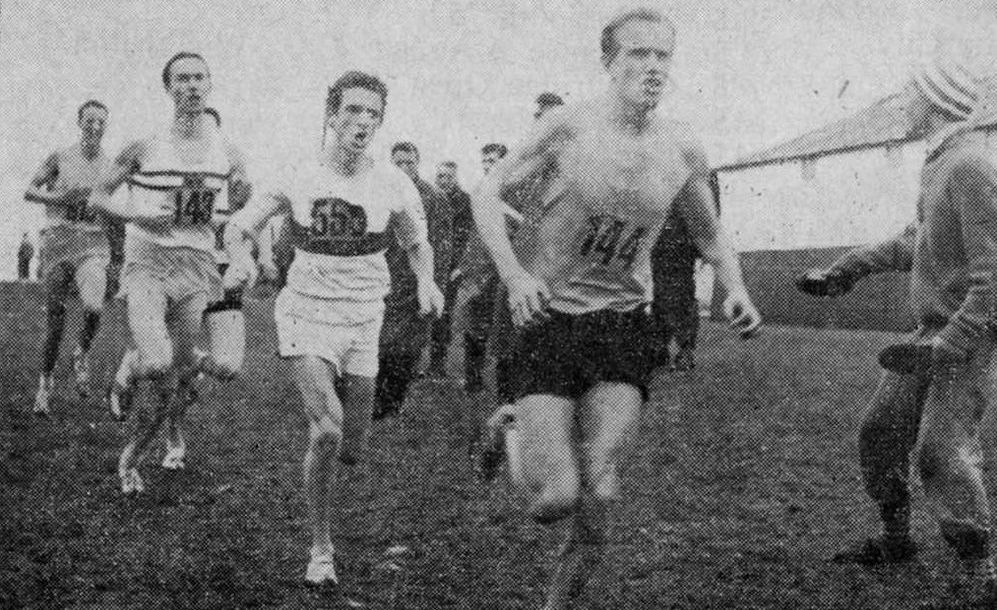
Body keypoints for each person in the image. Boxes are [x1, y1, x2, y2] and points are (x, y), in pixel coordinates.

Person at [472, 9, 761, 609]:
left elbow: (709, 233)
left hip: (623, 325)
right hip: (548, 320)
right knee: (554, 499)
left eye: (663, 55)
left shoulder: (682, 147)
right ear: (609, 62)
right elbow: (487, 190)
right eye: (637, 53)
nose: (653, 67)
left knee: (600, 491)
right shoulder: (567, 126)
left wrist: (733, 285)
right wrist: (515, 275)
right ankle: (511, 425)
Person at [223, 71, 443, 589]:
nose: (362, 122)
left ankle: (331, 466)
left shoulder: (394, 183)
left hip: (365, 316)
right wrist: (241, 256)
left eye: (373, 114)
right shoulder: (298, 173)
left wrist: (427, 281)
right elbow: (239, 224)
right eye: (352, 111)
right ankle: (321, 549)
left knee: (352, 446)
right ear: (331, 114)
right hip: (306, 311)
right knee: (326, 428)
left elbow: (417, 243)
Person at [797, 54, 997, 604]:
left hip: (966, 342)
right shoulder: (940, 164)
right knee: (881, 433)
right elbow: (915, 243)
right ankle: (896, 539)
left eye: (909, 94)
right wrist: (846, 270)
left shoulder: (970, 166)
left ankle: (985, 573)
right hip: (927, 337)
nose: (901, 104)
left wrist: (952, 343)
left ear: (934, 101)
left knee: (942, 454)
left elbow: (994, 276)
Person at [92, 52, 250, 492]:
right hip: (149, 262)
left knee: (175, 379)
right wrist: (140, 216)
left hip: (196, 267)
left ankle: (130, 459)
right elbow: (99, 197)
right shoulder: (144, 146)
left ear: (209, 85)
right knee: (159, 362)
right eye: (182, 79)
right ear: (168, 88)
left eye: (199, 78)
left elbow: (235, 205)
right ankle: (132, 366)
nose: (192, 86)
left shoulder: (227, 152)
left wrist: (238, 200)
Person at [107, 105, 251, 443]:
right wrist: (142, 219)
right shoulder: (163, 165)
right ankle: (170, 437)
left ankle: (169, 420)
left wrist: (244, 259)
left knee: (220, 367)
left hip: (210, 273)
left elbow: (239, 220)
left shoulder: (227, 166)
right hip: (167, 264)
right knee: (164, 364)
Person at [24, 100, 113, 415]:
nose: (95, 126)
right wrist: (60, 197)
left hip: (92, 242)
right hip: (59, 241)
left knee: (93, 307)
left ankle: (81, 351)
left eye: (101, 121)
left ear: (106, 126)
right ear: (79, 123)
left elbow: (115, 205)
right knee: (56, 320)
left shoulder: (110, 165)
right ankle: (45, 385)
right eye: (89, 120)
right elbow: (30, 190)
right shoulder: (60, 157)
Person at [374, 141, 451, 419]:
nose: (404, 167)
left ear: (418, 163)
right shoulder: (382, 191)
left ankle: (393, 403)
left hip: (415, 280)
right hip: (385, 278)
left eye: (409, 162)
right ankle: (376, 399)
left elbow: (441, 246)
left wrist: (432, 284)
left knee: (406, 344)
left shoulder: (434, 197)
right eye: (399, 163)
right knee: (379, 341)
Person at [426, 160, 473, 378]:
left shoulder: (465, 201)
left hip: (451, 269)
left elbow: (469, 238)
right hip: (431, 264)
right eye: (440, 176)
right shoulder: (432, 198)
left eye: (448, 177)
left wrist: (461, 266)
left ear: (456, 178)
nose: (443, 181)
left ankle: (438, 364)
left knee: (443, 315)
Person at [650, 201, 701, 371]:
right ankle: (659, 349)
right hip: (660, 245)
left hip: (683, 248)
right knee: (658, 298)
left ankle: (685, 351)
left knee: (684, 301)